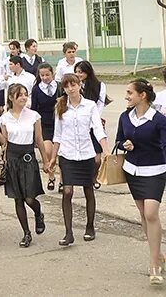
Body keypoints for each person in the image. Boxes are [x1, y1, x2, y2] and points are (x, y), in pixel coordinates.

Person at [116, 79, 166, 284]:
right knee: (144, 216)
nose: (126, 96)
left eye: (129, 92)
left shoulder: (159, 120)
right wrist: (124, 144)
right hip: (132, 171)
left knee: (150, 213)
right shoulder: (124, 117)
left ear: (142, 95)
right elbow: (118, 139)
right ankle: (158, 253)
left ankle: (155, 265)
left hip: (155, 170)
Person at [51, 73, 108, 246]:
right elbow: (57, 135)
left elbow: (98, 129)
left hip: (86, 153)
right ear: (64, 88)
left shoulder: (90, 106)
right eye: (67, 86)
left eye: (73, 85)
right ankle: (68, 233)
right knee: (67, 191)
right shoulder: (61, 106)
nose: (70, 88)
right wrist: (53, 157)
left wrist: (105, 150)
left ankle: (90, 226)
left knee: (88, 190)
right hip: (67, 154)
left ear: (79, 85)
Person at [0, 84, 49, 247]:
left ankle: (38, 214)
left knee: (30, 198)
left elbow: (39, 140)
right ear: (11, 98)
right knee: (18, 199)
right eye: (20, 95)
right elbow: (4, 142)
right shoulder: (4, 118)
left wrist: (46, 161)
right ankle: (26, 233)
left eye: (26, 94)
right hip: (12, 158)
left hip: (27, 158)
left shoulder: (34, 116)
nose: (24, 98)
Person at [75, 60, 110, 189]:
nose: (78, 74)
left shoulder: (100, 85)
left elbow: (100, 104)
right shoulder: (75, 86)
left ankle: (94, 176)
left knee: (96, 158)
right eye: (76, 72)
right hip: (80, 123)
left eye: (81, 72)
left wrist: (94, 117)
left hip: (94, 122)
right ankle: (86, 178)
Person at [30, 63, 60, 191]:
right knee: (48, 151)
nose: (45, 77)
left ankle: (63, 181)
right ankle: (51, 176)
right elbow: (34, 109)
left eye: (47, 74)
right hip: (44, 124)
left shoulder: (59, 86)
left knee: (61, 152)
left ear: (52, 73)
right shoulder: (36, 89)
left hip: (60, 122)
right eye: (42, 75)